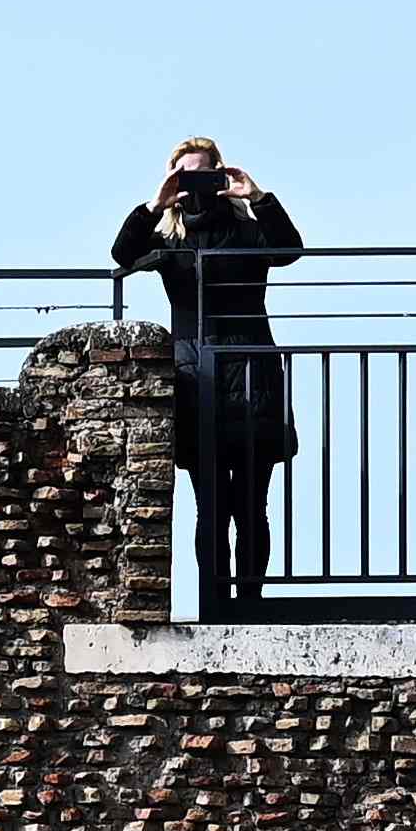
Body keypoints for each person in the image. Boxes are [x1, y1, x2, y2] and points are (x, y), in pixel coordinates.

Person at [112, 136, 303, 608]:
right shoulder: (169, 240)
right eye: (184, 176)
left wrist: (258, 198)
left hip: (253, 373)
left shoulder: (247, 232)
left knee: (251, 507)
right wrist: (154, 205)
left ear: (220, 175)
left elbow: (289, 250)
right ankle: (215, 603)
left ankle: (250, 604)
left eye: (203, 174)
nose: (194, 185)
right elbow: (122, 255)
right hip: (198, 381)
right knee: (211, 508)